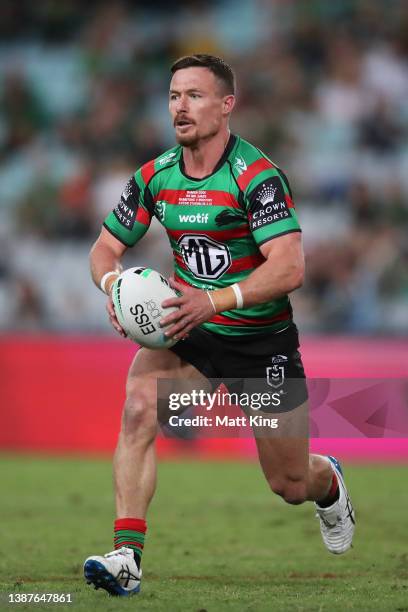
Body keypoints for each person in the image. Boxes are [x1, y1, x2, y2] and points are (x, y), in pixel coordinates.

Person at [84, 54, 355, 596]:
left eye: (195, 95)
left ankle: (331, 485)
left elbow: (290, 267)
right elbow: (105, 248)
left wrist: (216, 300)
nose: (180, 107)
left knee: (290, 483)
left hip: (262, 342)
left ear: (226, 105)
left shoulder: (257, 176)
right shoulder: (155, 176)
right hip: (192, 331)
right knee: (139, 406)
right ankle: (126, 559)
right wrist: (113, 286)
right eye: (173, 96)